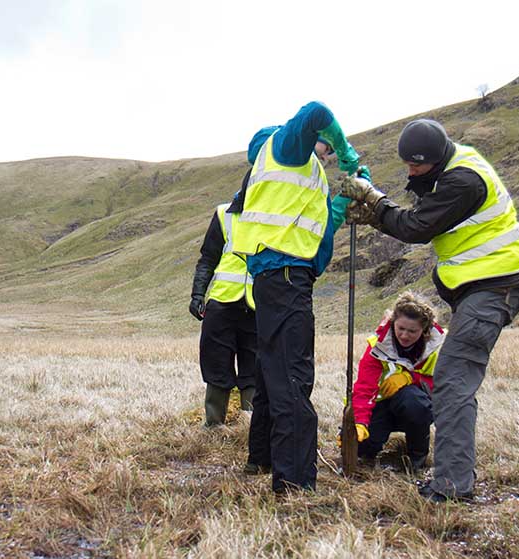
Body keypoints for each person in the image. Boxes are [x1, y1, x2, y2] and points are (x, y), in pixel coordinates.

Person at [341, 118, 519, 502]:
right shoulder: (455, 164)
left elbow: (417, 227)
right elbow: (421, 215)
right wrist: (379, 211)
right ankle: (454, 475)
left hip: (496, 286)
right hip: (481, 287)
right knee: (452, 381)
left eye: (415, 166)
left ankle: (452, 484)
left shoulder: (464, 181)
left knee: (452, 380)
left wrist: (376, 203)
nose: (410, 173)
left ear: (434, 158)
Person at [230, 100, 364, 492]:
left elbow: (316, 232)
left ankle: (264, 458)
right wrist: (347, 152)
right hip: (285, 278)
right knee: (293, 376)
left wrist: (342, 200)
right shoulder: (285, 148)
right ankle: (295, 482)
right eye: (322, 145)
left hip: (279, 278)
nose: (323, 150)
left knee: (274, 373)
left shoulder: (294, 174)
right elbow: (316, 111)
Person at [350, 291, 444, 475]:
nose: (404, 335)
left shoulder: (438, 347)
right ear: (393, 323)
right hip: (381, 406)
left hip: (416, 408)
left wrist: (411, 378)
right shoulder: (378, 346)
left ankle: (416, 458)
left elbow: (443, 385)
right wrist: (359, 422)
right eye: (400, 328)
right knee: (361, 447)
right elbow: (364, 387)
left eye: (412, 331)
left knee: (413, 401)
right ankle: (367, 453)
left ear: (424, 330)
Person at [189, 202, 257, 426]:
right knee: (216, 363)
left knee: (255, 368)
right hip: (222, 303)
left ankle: (250, 426)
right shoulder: (224, 214)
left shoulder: (273, 212)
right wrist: (197, 294)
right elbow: (208, 258)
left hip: (257, 306)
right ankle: (214, 425)